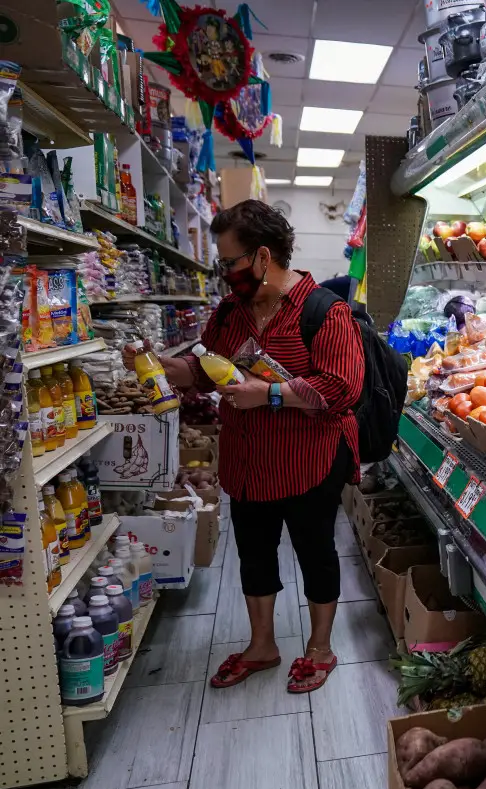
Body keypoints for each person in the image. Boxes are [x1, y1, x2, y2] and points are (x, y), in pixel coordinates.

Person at [134, 199, 365, 693]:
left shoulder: (324, 311)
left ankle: (320, 647)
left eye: (230, 262)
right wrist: (166, 367)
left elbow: (343, 387)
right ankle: (263, 645)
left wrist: (272, 394)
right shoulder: (230, 313)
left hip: (309, 457)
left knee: (315, 552)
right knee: (254, 554)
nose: (224, 273)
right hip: (247, 460)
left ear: (263, 257)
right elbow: (205, 368)